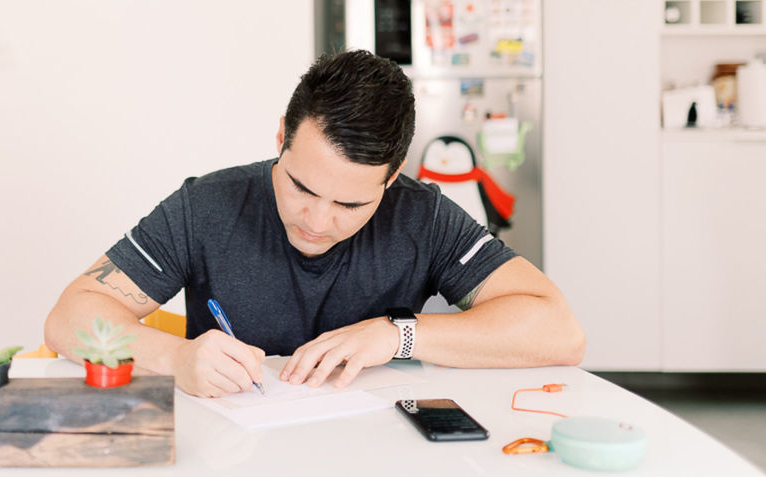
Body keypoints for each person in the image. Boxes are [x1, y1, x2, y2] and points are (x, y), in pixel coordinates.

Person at [44, 50, 585, 398]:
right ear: (281, 136)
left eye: (350, 206)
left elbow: (559, 332)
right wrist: (176, 355)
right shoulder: (207, 205)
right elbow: (69, 318)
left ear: (392, 177)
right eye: (301, 186)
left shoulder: (423, 215)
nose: (318, 221)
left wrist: (397, 337)